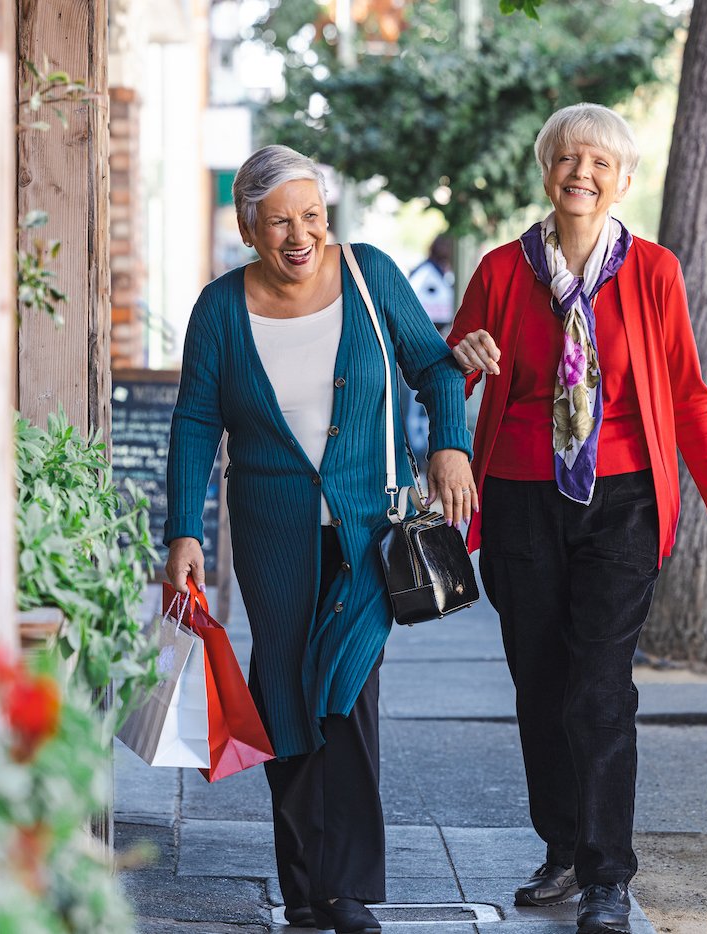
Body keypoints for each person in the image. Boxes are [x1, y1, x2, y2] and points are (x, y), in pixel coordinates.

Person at [447, 103, 707, 934]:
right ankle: (562, 848)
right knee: (541, 684)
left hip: (622, 500)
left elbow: (690, 395)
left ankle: (608, 875)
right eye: (565, 159)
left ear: (622, 181)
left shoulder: (653, 272)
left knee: (598, 688)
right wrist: (456, 361)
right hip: (518, 495)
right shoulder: (501, 271)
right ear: (546, 172)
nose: (580, 173)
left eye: (598, 163)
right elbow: (448, 380)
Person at [164, 145, 475, 934]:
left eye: (312, 217)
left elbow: (435, 368)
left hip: (371, 529)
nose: (300, 236)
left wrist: (450, 443)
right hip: (272, 536)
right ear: (247, 227)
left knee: (344, 689)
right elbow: (197, 420)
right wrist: (182, 531)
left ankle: (347, 891)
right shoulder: (220, 309)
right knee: (286, 694)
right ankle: (303, 887)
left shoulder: (369, 275)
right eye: (280, 222)